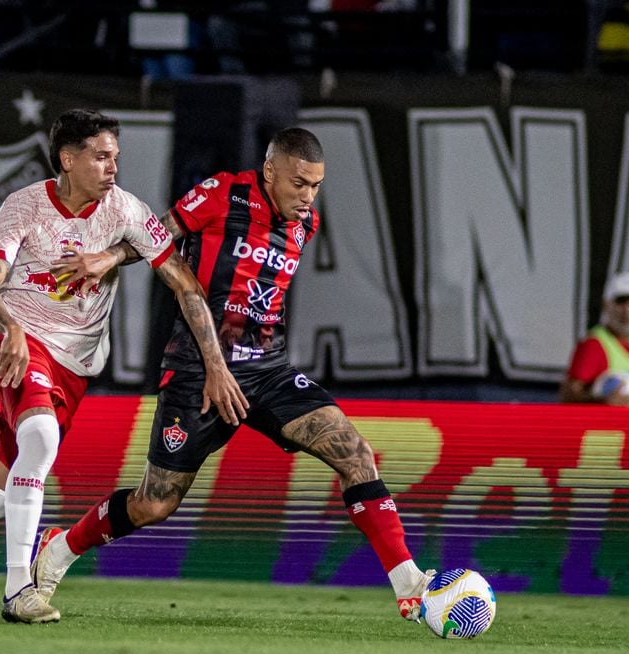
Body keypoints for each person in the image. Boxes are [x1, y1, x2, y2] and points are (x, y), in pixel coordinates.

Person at [0, 108, 247, 625]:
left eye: (116, 157)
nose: (112, 167)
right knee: (40, 440)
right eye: (101, 156)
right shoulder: (24, 208)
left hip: (75, 366)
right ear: (68, 158)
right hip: (21, 344)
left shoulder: (126, 211)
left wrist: (216, 363)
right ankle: (19, 591)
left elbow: (184, 283)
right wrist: (12, 330)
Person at [34, 127, 436, 624]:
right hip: (197, 373)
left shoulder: (302, 223)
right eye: (299, 184)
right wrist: (108, 257)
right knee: (154, 505)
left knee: (355, 454)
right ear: (270, 171)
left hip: (268, 372)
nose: (308, 197)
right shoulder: (224, 193)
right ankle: (61, 548)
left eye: (316, 185)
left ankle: (410, 584)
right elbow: (156, 235)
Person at [558, 271, 629, 407]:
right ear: (606, 304)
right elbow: (567, 397)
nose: (628, 310)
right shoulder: (594, 345)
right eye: (621, 301)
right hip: (600, 427)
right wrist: (603, 402)